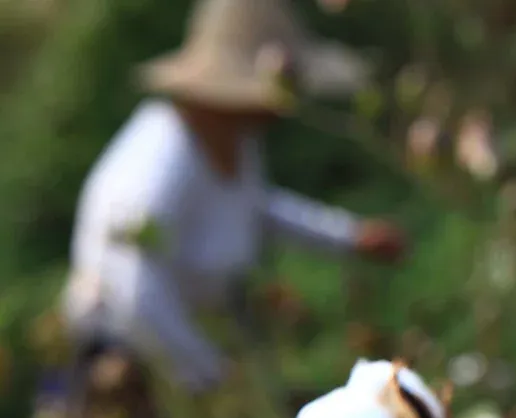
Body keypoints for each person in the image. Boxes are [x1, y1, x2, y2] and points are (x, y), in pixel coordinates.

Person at [62, 0, 404, 395]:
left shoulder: (232, 140)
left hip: (200, 342)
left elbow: (255, 206)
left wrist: (349, 236)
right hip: (133, 363)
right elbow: (135, 289)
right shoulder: (157, 165)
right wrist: (214, 372)